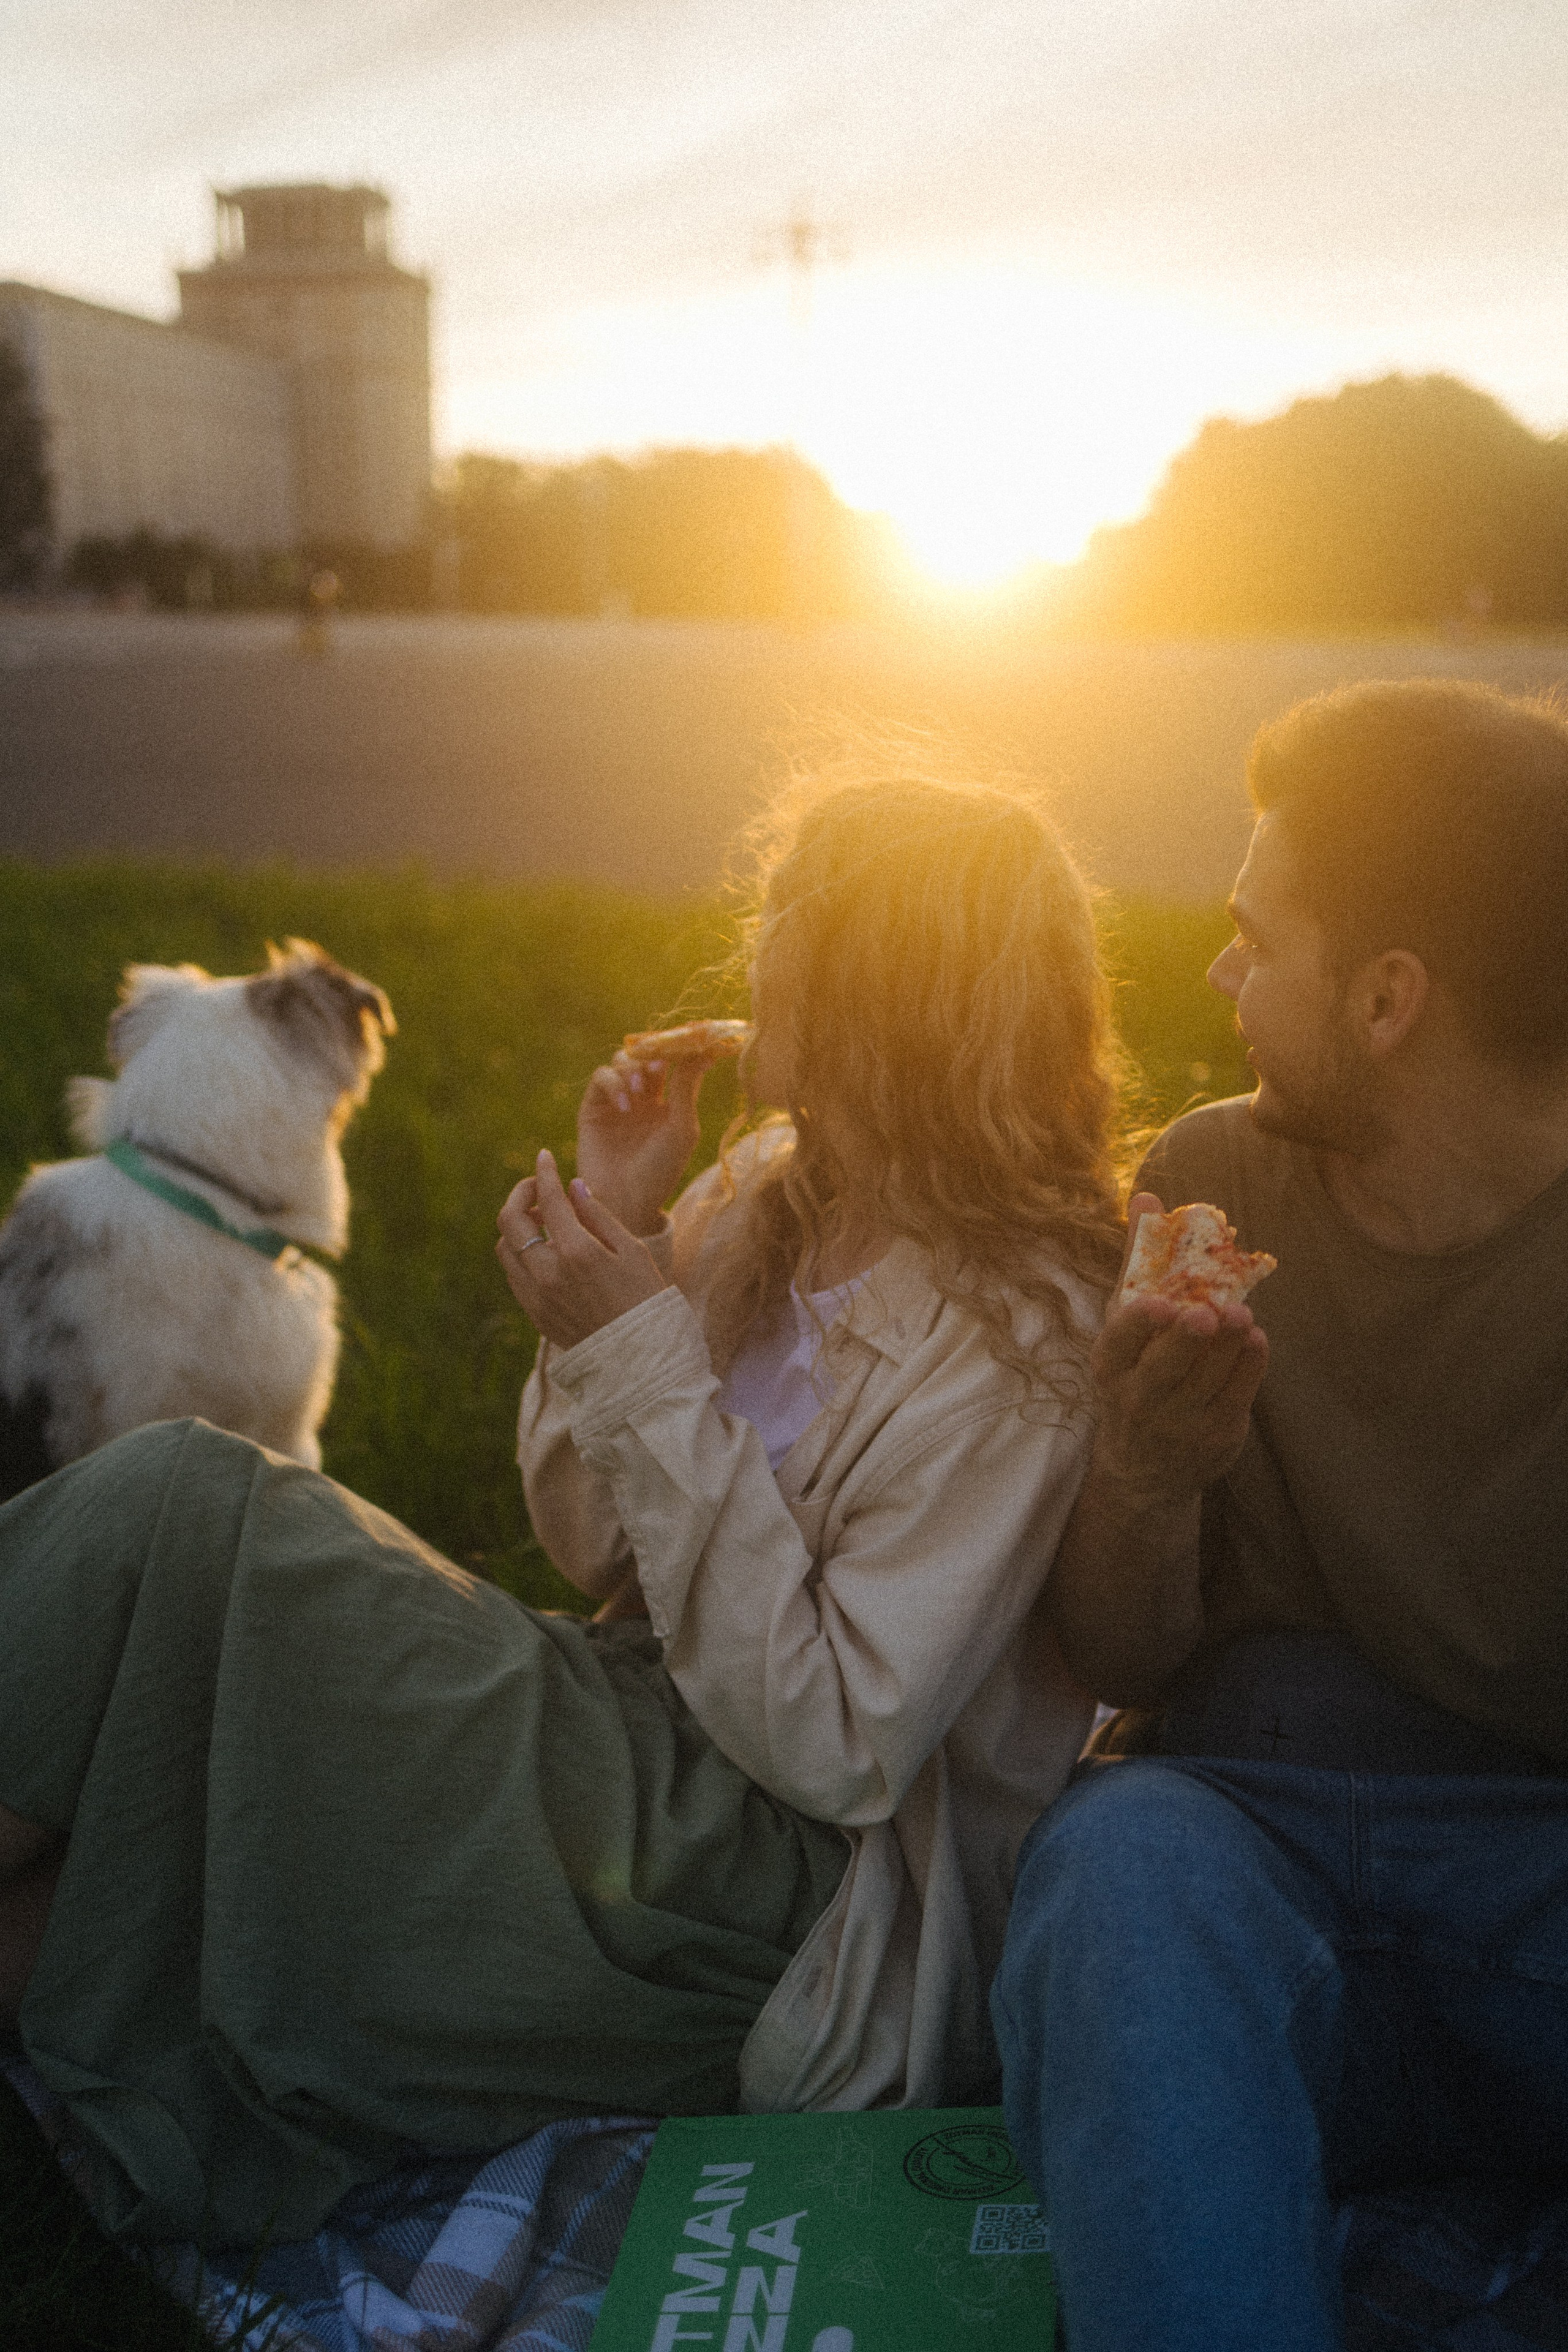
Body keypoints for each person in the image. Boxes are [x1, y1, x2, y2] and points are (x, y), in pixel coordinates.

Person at [0, 761, 1121, 2247]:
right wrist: (634, 1229)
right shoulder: (772, 1187)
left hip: (777, 1898)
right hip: (628, 1735)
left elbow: (838, 1746)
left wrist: (637, 1348)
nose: (751, 945)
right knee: (151, 1741)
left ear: (882, 985)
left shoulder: (1018, 1331)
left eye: (790, 913)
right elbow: (592, 1546)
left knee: (187, 1511)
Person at [993, 678, 1568, 2352]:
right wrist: (1145, 1472)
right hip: (1253, 1859)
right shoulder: (1215, 1179)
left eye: (1260, 938)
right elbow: (1120, 1648)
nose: (1220, 974)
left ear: (1390, 997)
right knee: (1115, 1870)